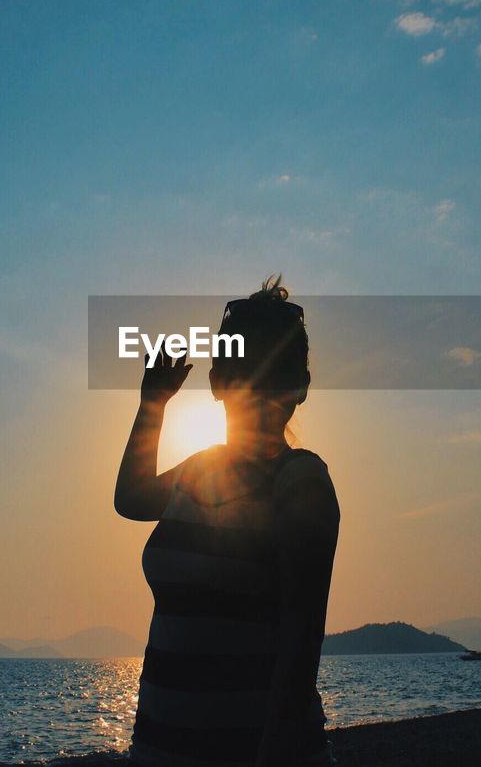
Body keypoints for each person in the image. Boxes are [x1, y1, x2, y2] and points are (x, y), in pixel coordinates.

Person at [114, 276, 340, 767]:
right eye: (243, 368)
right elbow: (130, 498)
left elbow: (301, 651)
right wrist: (152, 404)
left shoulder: (301, 483)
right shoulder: (197, 470)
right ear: (217, 382)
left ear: (299, 388)